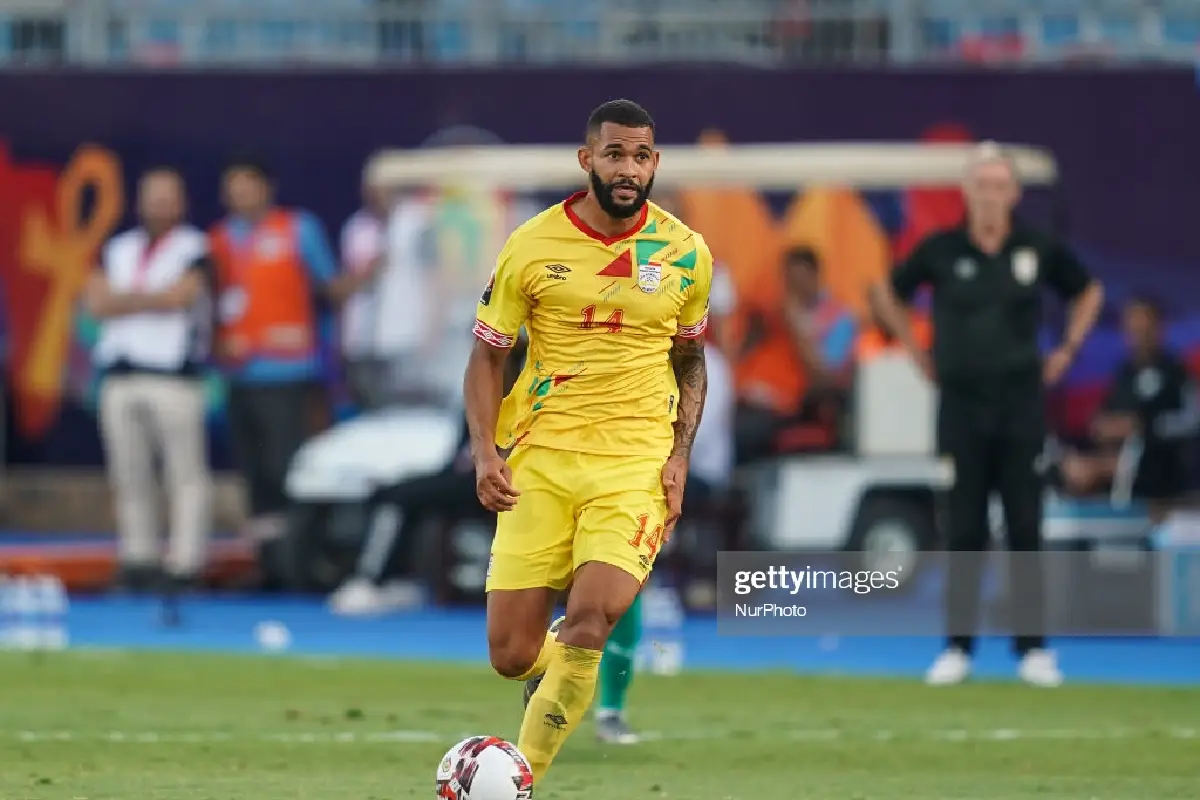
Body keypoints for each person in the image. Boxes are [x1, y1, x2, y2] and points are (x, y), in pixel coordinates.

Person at [463, 98, 712, 783]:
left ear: (654, 163)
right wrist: (486, 450)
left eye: (640, 156)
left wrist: (679, 457)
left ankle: (519, 779)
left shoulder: (686, 253)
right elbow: (488, 355)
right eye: (613, 154)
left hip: (633, 464)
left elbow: (691, 360)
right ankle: (558, 674)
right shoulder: (532, 244)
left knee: (593, 618)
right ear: (587, 160)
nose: (627, 169)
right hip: (539, 460)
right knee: (512, 655)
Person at [869, 141, 1104, 687]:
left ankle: (1032, 649)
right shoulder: (942, 249)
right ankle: (958, 647)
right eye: (983, 185)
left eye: (1001, 186)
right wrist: (914, 349)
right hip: (961, 408)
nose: (992, 196)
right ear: (967, 191)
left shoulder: (1036, 248)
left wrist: (1067, 350)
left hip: (1021, 407)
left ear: (1015, 193)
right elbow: (887, 293)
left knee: (1025, 526)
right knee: (964, 528)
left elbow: (1088, 291)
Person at [589, 202, 739, 747]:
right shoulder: (599, 341)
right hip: (573, 464)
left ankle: (609, 707)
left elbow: (690, 429)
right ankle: (552, 680)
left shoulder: (702, 364)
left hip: (642, 472)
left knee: (621, 588)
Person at [209, 154, 374, 587]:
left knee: (289, 471)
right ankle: (267, 565)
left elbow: (330, 288)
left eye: (247, 183)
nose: (240, 193)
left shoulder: (298, 229)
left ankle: (297, 564)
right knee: (255, 476)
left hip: (287, 374)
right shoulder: (219, 239)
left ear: (267, 187)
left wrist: (370, 276)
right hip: (238, 373)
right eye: (233, 185)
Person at [87, 167, 213, 595]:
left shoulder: (195, 246)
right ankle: (138, 559)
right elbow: (96, 305)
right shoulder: (118, 249)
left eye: (168, 198)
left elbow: (181, 297)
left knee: (185, 475)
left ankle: (185, 564)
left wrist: (127, 301)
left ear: (181, 203)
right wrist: (150, 301)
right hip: (121, 374)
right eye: (152, 198)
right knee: (129, 476)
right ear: (139, 202)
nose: (159, 206)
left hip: (172, 376)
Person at [1058, 295, 1196, 520]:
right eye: (1132, 328)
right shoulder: (1123, 374)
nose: (1138, 335)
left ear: (1158, 327)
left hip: (1158, 469)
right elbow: (1105, 416)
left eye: (1144, 327)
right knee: (1071, 466)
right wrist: (1102, 427)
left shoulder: (1176, 374)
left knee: (1120, 464)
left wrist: (1141, 427)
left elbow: (1190, 421)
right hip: (1117, 464)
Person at [734, 245, 856, 462]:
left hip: (800, 408)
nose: (794, 289)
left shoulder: (837, 320)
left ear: (815, 277)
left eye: (800, 281)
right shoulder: (774, 313)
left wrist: (797, 329)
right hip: (755, 397)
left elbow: (826, 379)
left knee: (746, 431)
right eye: (790, 282)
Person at [338, 173, 389, 409]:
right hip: (361, 337)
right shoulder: (357, 228)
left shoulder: (414, 223)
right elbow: (351, 280)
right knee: (369, 407)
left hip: (401, 340)